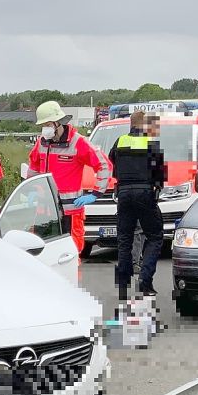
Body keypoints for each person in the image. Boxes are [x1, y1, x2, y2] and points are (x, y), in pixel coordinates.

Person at [27, 100, 112, 255]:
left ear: (57, 123)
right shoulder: (42, 143)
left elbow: (104, 165)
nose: (44, 129)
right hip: (45, 211)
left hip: (70, 213)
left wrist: (95, 193)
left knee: (70, 255)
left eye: (47, 124)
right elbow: (33, 167)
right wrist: (31, 189)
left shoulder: (77, 142)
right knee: (42, 254)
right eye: (43, 125)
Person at [108, 111, 165, 298]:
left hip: (123, 194)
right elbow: (160, 175)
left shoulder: (120, 141)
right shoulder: (151, 143)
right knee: (155, 236)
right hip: (145, 194)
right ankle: (145, 281)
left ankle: (123, 285)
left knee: (124, 239)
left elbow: (112, 160)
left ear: (130, 124)